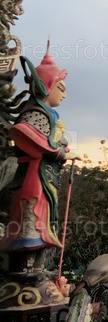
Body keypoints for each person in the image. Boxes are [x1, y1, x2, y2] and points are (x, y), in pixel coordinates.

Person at [0, 49, 79, 272]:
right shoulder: (35, 112)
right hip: (33, 178)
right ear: (45, 86)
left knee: (44, 220)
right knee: (31, 220)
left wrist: (62, 149)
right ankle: (24, 269)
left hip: (45, 178)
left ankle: (37, 267)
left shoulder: (47, 114)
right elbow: (28, 135)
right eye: (60, 88)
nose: (64, 95)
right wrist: (61, 153)